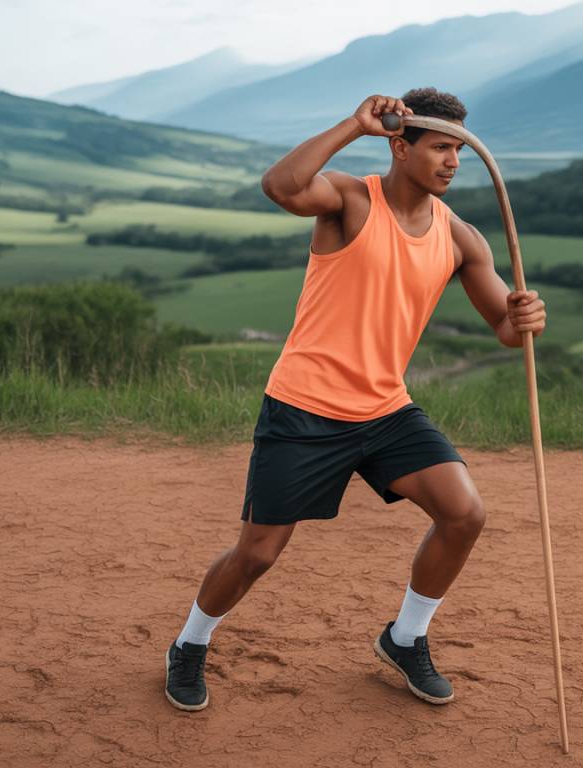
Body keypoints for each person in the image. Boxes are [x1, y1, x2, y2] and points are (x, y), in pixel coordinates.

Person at [164, 87, 547, 711]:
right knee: (258, 553)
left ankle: (406, 638)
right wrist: (353, 125)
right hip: (303, 407)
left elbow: (506, 329)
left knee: (464, 514)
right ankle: (190, 643)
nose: (453, 162)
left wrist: (525, 318)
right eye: (440, 148)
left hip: (386, 410)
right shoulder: (349, 200)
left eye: (459, 150)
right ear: (400, 147)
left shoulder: (461, 237)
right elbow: (280, 186)